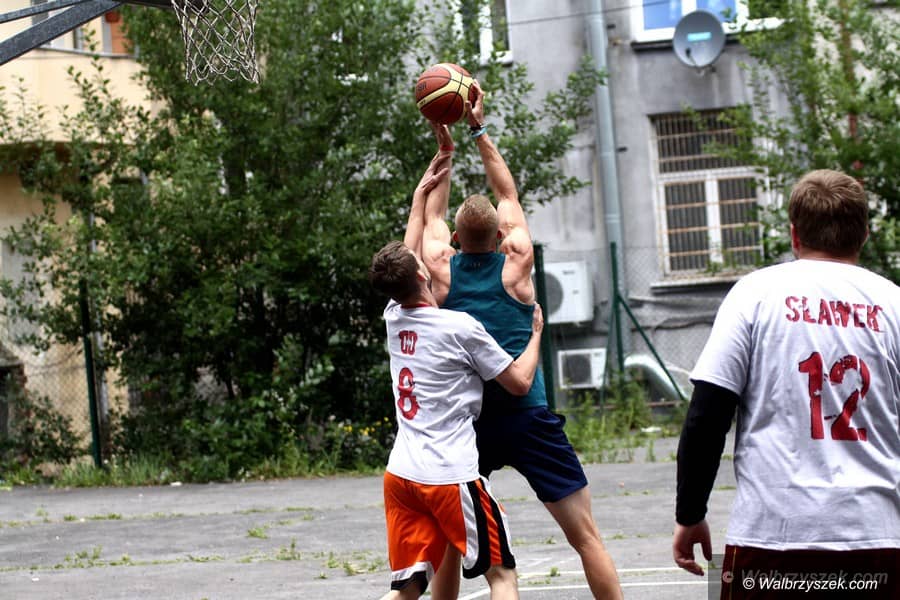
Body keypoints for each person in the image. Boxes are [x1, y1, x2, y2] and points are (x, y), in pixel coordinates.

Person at [421, 82, 623, 599]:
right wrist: (478, 130)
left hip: (471, 422)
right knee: (586, 537)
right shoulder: (516, 266)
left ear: (457, 241)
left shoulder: (441, 271)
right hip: (528, 413)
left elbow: (432, 217)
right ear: (501, 237)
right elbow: (508, 196)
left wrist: (444, 150)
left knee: (450, 540)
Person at [673, 169, 900, 598]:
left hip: (771, 536)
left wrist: (690, 513)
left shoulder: (754, 294)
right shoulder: (893, 304)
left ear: (794, 234)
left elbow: (707, 415)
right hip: (876, 537)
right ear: (864, 235)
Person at [371, 139, 546, 600]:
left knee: (408, 589)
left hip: (401, 474)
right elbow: (519, 382)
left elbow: (411, 244)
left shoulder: (393, 318)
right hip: (448, 474)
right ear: (422, 274)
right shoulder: (459, 327)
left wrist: (421, 195)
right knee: (502, 576)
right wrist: (535, 335)